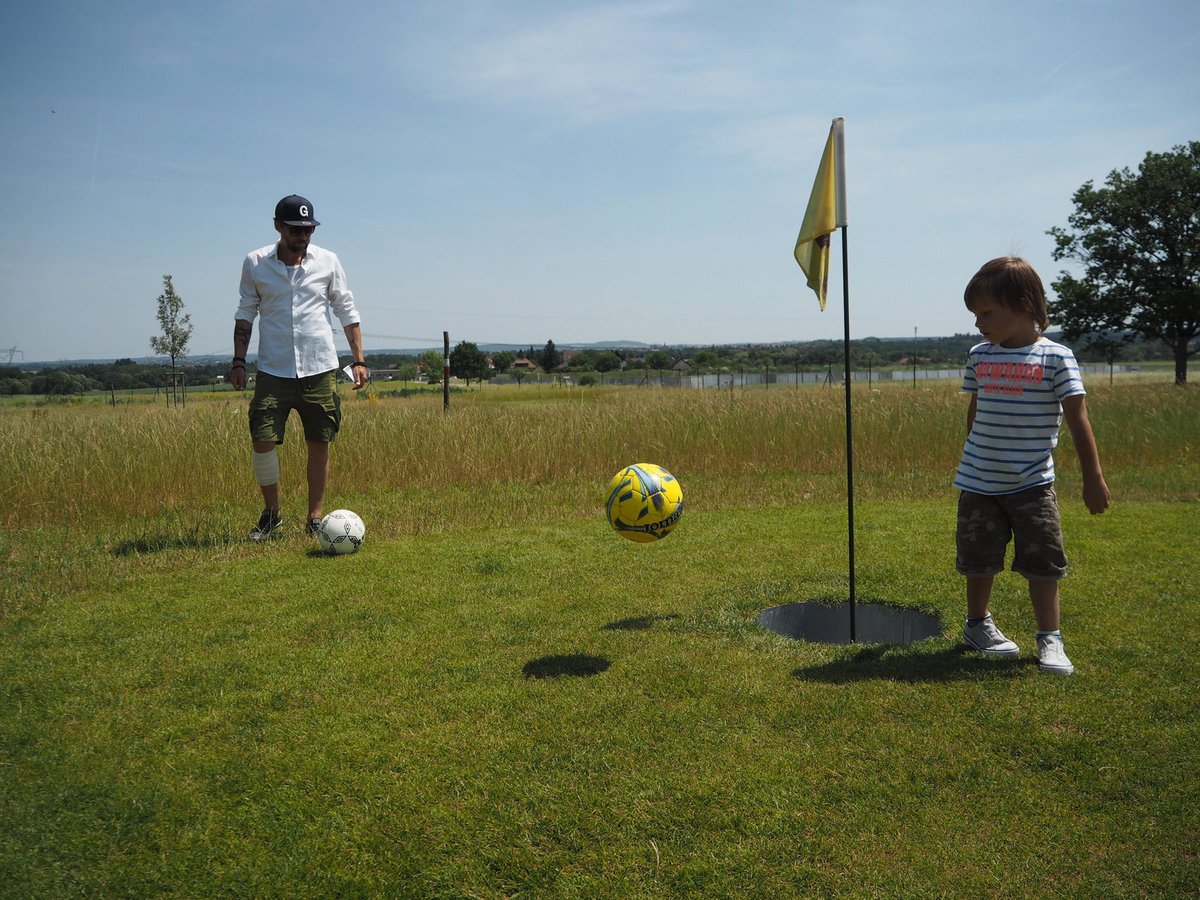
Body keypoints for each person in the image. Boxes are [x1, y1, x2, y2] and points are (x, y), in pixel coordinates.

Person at [953, 256, 1110, 675]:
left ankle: (1050, 639)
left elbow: (1079, 418)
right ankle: (977, 624)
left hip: (1032, 485)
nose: (978, 323)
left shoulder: (1056, 358)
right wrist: (973, 452)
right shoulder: (979, 355)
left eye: (986, 312)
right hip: (979, 482)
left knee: (1044, 561)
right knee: (978, 558)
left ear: (1023, 304)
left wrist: (1093, 478)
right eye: (975, 314)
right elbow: (976, 409)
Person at [229, 194, 368, 541]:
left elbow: (347, 311)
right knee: (262, 439)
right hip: (273, 370)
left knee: (319, 440)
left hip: (320, 368)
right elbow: (246, 313)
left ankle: (315, 518)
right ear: (278, 226)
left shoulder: (328, 261)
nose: (302, 236)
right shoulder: (255, 263)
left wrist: (359, 359)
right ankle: (272, 515)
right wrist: (238, 361)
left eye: (308, 229)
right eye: (294, 229)